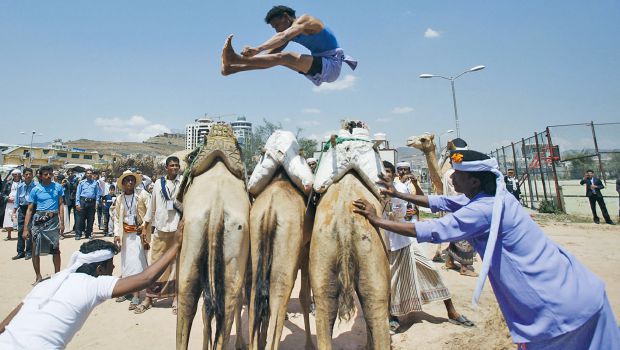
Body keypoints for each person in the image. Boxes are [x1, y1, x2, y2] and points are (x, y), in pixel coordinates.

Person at [353, 150, 620, 349]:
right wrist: (399, 194)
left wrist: (376, 220)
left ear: (475, 182)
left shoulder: (482, 210)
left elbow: (434, 230)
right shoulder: (494, 198)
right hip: (582, 295)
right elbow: (442, 200)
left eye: (458, 175)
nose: (452, 178)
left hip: (558, 315)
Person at [0, 221, 184, 349]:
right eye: (110, 263)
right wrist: (175, 246)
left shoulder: (48, 283)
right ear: (99, 269)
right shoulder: (93, 285)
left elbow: (5, 324)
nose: (113, 266)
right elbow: (146, 279)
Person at [382, 161, 473, 335]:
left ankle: (451, 311)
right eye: (383, 172)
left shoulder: (400, 187)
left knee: (431, 270)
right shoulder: (375, 189)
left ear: (392, 174)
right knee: (391, 280)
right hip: (388, 240)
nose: (385, 175)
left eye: (388, 172)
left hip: (406, 238)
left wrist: (407, 212)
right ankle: (392, 315)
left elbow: (409, 209)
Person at [220, 5, 357, 86]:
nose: (277, 30)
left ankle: (234, 59)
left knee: (286, 57)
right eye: (274, 28)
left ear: (286, 16)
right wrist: (235, 68)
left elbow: (283, 36)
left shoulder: (307, 21)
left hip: (331, 64)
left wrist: (257, 49)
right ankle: (231, 68)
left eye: (277, 25)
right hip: (319, 67)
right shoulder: (287, 35)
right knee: (277, 59)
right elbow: (268, 59)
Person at [138, 156, 183, 314]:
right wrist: (145, 225)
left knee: (176, 264)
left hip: (177, 228)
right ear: (166, 168)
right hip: (161, 228)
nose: (175, 168)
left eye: (177, 165)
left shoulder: (183, 182)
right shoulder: (158, 184)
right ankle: (149, 297)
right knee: (155, 262)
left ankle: (176, 297)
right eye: (172, 165)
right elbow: (152, 206)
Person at [112, 170, 150, 311]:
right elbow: (116, 217)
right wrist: (116, 233)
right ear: (122, 183)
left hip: (138, 235)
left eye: (132, 180)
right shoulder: (120, 199)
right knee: (126, 263)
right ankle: (126, 290)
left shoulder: (142, 195)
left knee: (136, 264)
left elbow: (150, 212)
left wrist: (144, 226)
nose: (129, 182)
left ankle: (136, 295)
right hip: (125, 236)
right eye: (127, 180)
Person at [441, 138, 478, 277]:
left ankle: (449, 261)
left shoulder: (448, 172)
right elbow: (462, 192)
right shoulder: (458, 173)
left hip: (451, 208)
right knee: (466, 237)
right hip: (461, 207)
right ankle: (465, 267)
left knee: (455, 236)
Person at [23, 166, 65, 285]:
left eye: (50, 174)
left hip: (53, 220)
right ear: (40, 176)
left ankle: (57, 275)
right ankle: (38, 276)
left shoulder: (58, 187)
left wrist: (62, 222)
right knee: (35, 249)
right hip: (38, 221)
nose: (48, 176)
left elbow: (61, 205)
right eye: (45, 174)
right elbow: (30, 209)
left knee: (56, 249)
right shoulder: (35, 190)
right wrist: (25, 228)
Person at [12, 168, 36, 260]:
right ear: (23, 175)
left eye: (30, 174)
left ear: (32, 175)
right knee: (20, 230)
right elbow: (17, 200)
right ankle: (20, 252)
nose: (28, 176)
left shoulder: (36, 186)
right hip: (22, 209)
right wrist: (14, 211)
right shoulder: (20, 186)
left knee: (29, 230)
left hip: (32, 209)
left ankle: (29, 252)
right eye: (26, 174)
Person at [75, 169, 101, 240]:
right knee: (80, 219)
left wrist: (97, 203)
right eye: (88, 173)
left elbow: (97, 194)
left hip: (92, 203)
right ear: (85, 174)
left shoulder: (95, 183)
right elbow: (78, 193)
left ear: (92, 174)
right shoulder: (81, 183)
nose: (89, 174)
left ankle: (88, 234)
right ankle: (78, 234)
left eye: (90, 173)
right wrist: (77, 203)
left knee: (91, 219)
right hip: (83, 202)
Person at [2, 169, 21, 240]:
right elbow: (3, 193)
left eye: (18, 174)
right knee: (8, 219)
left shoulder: (23, 183)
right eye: (15, 174)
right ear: (12, 175)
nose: (16, 175)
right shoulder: (8, 183)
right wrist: (7, 198)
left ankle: (20, 236)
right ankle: (9, 235)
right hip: (10, 203)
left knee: (19, 219)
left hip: (19, 204)